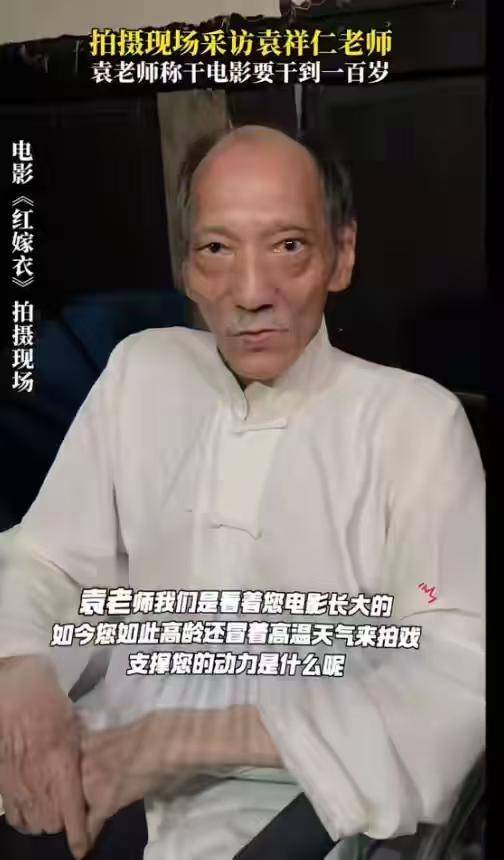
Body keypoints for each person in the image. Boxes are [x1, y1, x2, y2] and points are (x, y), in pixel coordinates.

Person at [0, 125, 485, 860]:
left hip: (298, 787)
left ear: (342, 254)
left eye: (288, 246)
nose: (251, 294)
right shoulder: (143, 371)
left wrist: (176, 743)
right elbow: (47, 557)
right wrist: (20, 670)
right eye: (217, 249)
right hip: (95, 749)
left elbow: (457, 669)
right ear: (187, 268)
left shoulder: (415, 422)